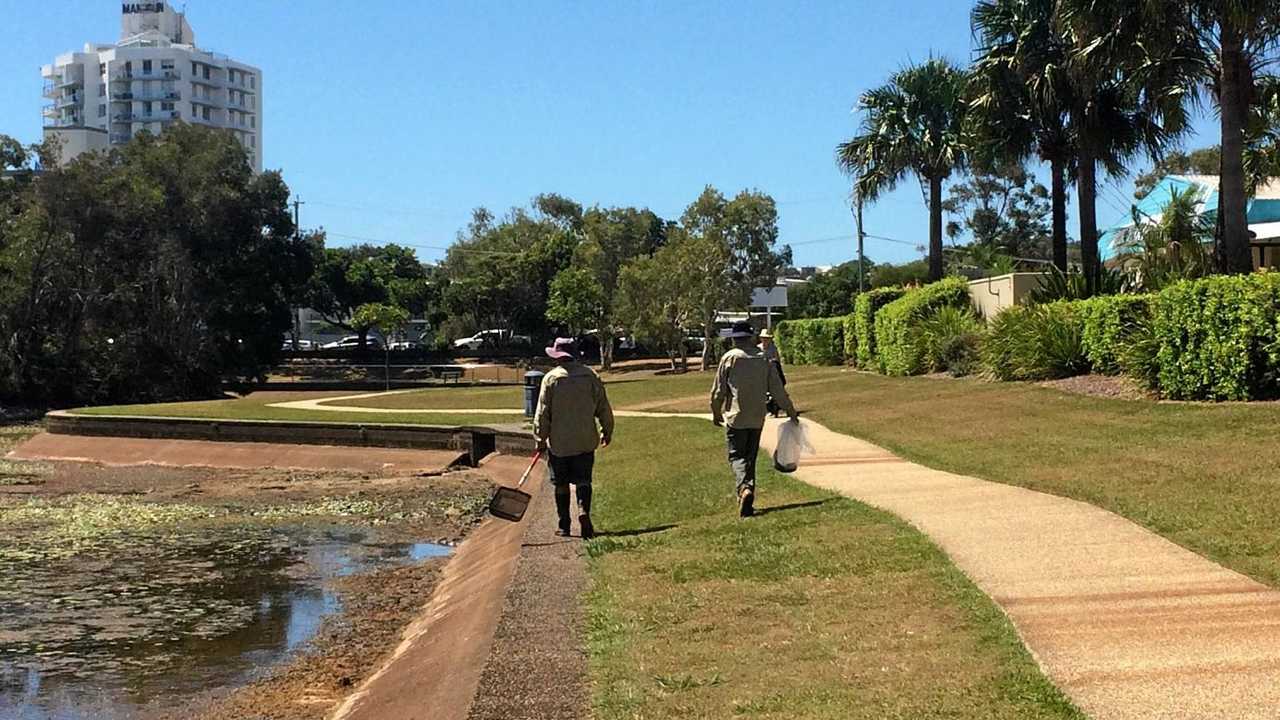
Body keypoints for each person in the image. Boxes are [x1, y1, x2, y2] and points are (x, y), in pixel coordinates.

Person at [710, 321, 797, 517]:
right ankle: (747, 496)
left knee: (736, 456)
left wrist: (716, 413)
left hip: (736, 416)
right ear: (751, 338)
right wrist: (791, 411)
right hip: (757, 417)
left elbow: (718, 391)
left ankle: (744, 489)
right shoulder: (763, 359)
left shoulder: (729, 358)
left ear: (734, 339)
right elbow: (777, 390)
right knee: (751, 457)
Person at [532, 337, 615, 538]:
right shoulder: (590, 376)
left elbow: (543, 413)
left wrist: (540, 438)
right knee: (583, 480)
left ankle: (564, 525)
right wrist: (607, 430)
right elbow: (603, 406)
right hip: (585, 440)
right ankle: (583, 511)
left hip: (559, 443)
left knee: (560, 483)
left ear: (557, 357)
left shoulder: (551, 379)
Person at [758, 328, 786, 417]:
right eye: (764, 338)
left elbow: (777, 360)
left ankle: (775, 409)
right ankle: (765, 409)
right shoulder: (758, 348)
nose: (765, 340)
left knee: (775, 391)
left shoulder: (773, 348)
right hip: (761, 372)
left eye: (767, 338)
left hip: (772, 371)